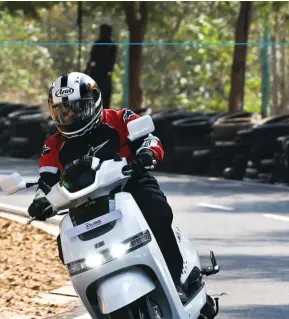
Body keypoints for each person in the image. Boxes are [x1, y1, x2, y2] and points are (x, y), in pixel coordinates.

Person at [28, 72, 188, 301]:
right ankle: (96, 296)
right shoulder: (53, 145)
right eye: (62, 111)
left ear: (94, 102)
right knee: (65, 245)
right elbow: (45, 180)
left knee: (158, 212)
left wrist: (146, 154)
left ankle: (175, 282)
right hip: (86, 202)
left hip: (131, 184)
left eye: (77, 108)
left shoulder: (120, 118)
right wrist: (40, 201)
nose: (70, 116)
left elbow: (150, 139)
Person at [85, 24, 117, 109]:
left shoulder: (112, 46)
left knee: (105, 98)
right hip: (95, 74)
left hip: (105, 76)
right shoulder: (97, 43)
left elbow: (111, 62)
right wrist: (87, 71)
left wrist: (108, 72)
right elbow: (92, 59)